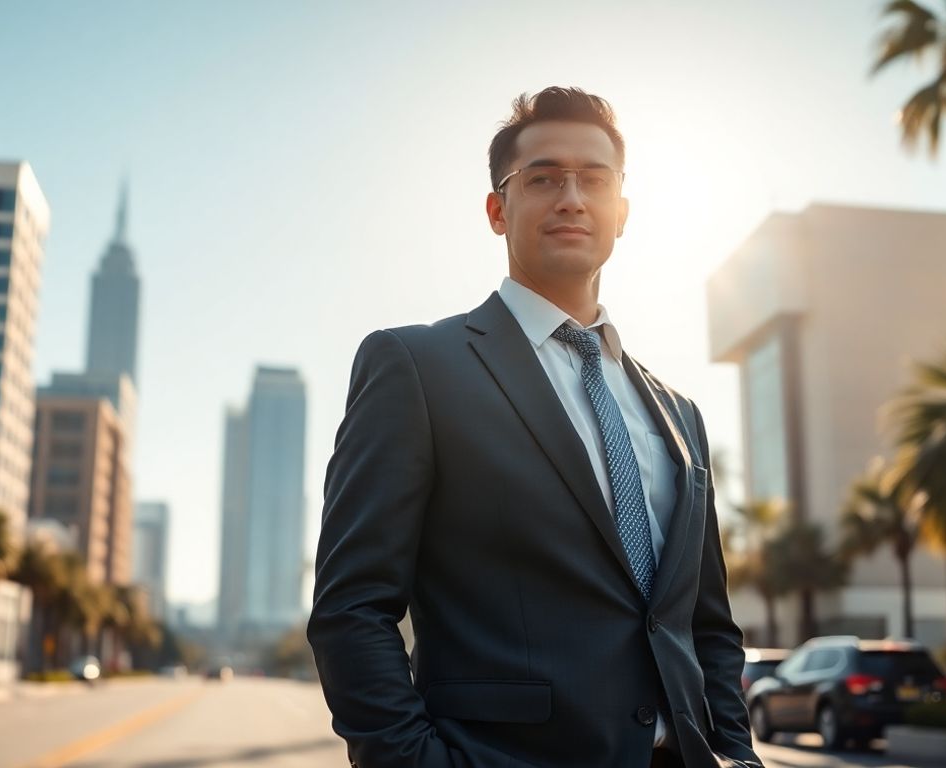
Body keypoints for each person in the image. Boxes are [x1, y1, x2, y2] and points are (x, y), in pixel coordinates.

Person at [308, 86, 762, 768]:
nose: (571, 197)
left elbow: (708, 624)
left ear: (623, 212)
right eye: (544, 177)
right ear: (498, 209)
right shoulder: (416, 367)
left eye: (594, 180)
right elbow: (352, 608)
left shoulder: (679, 412)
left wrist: (736, 752)